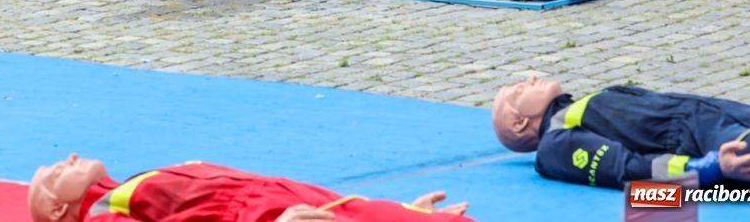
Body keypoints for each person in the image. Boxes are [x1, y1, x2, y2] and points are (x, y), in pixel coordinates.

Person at [491, 74, 750, 193]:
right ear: (519, 123)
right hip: (724, 148)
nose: (531, 78)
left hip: (744, 122)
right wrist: (711, 168)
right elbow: (629, 173)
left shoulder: (574, 112)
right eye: (520, 89)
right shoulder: (555, 146)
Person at [27, 155, 475, 221]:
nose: (69, 157)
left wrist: (396, 210)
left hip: (334, 210)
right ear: (57, 210)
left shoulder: (133, 187)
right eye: (55, 173)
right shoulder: (108, 214)